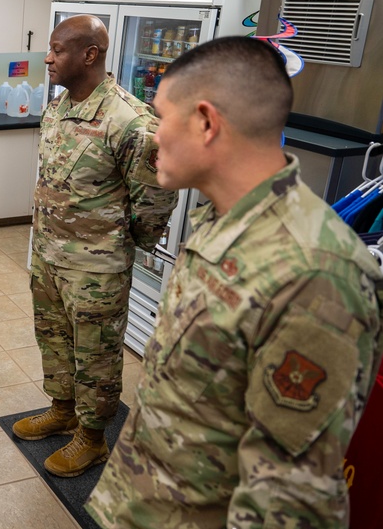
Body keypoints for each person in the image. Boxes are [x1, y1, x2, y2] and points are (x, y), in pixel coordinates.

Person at [87, 36, 383, 528]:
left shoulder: (316, 274)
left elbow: (288, 496)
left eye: (161, 117)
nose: (152, 135)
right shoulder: (219, 218)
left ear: (206, 122)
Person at [13, 14, 177, 477]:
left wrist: (120, 248)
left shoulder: (129, 120)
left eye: (58, 49)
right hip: (48, 255)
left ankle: (92, 437)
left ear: (90, 55)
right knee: (55, 341)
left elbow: (157, 196)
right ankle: (62, 409)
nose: (48, 57)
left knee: (97, 355)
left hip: (95, 269)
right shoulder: (58, 107)